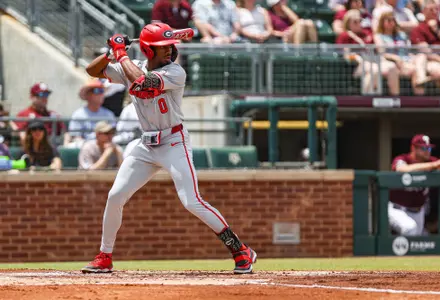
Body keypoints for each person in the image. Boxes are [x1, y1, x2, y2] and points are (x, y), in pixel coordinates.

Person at [81, 22, 257, 274]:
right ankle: (104, 256)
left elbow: (143, 82)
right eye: (163, 47)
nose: (170, 50)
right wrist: (111, 52)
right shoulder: (133, 66)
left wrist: (121, 54)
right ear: (149, 50)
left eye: (169, 46)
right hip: (146, 144)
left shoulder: (175, 72)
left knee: (191, 201)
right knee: (115, 196)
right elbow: (92, 70)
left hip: (174, 142)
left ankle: (240, 249)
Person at [390, 134, 440, 236]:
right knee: (410, 229)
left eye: (429, 148)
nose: (427, 151)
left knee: (423, 240)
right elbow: (401, 169)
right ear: (413, 148)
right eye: (423, 148)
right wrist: (433, 165)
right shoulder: (403, 158)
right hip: (397, 209)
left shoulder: (431, 161)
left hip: (417, 211)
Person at [336, 9, 400, 95]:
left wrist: (376, 36)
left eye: (360, 21)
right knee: (374, 69)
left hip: (373, 60)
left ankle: (395, 98)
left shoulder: (366, 34)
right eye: (355, 21)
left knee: (392, 67)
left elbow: (380, 50)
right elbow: (346, 55)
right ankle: (367, 99)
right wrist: (356, 58)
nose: (359, 23)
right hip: (356, 65)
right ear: (348, 23)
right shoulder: (344, 35)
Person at [374, 10, 431, 95]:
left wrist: (412, 58)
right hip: (392, 63)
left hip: (406, 60)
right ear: (382, 22)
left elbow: (407, 50)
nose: (391, 23)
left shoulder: (401, 35)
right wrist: (395, 58)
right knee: (414, 69)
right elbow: (382, 53)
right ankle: (414, 95)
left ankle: (421, 83)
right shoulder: (379, 36)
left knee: (421, 56)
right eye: (388, 20)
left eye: (393, 20)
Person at [409, 0, 440, 94]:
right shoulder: (418, 29)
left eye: (437, 9)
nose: (435, 12)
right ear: (424, 11)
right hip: (432, 61)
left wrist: (437, 30)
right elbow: (426, 51)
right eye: (431, 10)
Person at [66, 80, 116, 147]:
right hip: (85, 148)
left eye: (102, 91)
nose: (101, 94)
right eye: (97, 91)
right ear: (88, 95)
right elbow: (76, 137)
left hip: (105, 146)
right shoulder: (78, 114)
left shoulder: (109, 114)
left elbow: (112, 135)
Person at [13, 83, 66, 147]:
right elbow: (20, 134)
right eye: (41, 94)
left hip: (54, 148)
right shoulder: (24, 114)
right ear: (32, 97)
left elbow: (65, 132)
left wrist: (66, 145)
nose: (44, 98)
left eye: (46, 95)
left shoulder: (53, 114)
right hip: (34, 149)